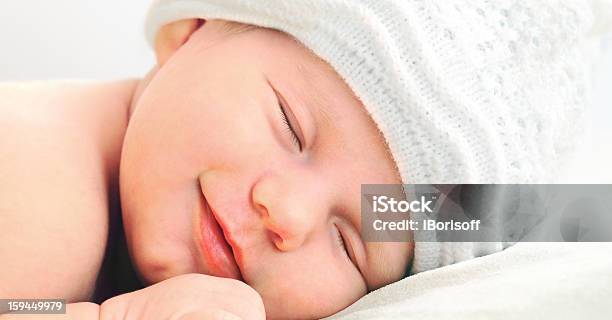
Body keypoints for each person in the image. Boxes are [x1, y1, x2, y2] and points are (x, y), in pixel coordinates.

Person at [0, 0, 599, 319]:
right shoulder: (42, 180)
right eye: (289, 124)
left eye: (349, 244)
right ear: (192, 27)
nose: (287, 213)